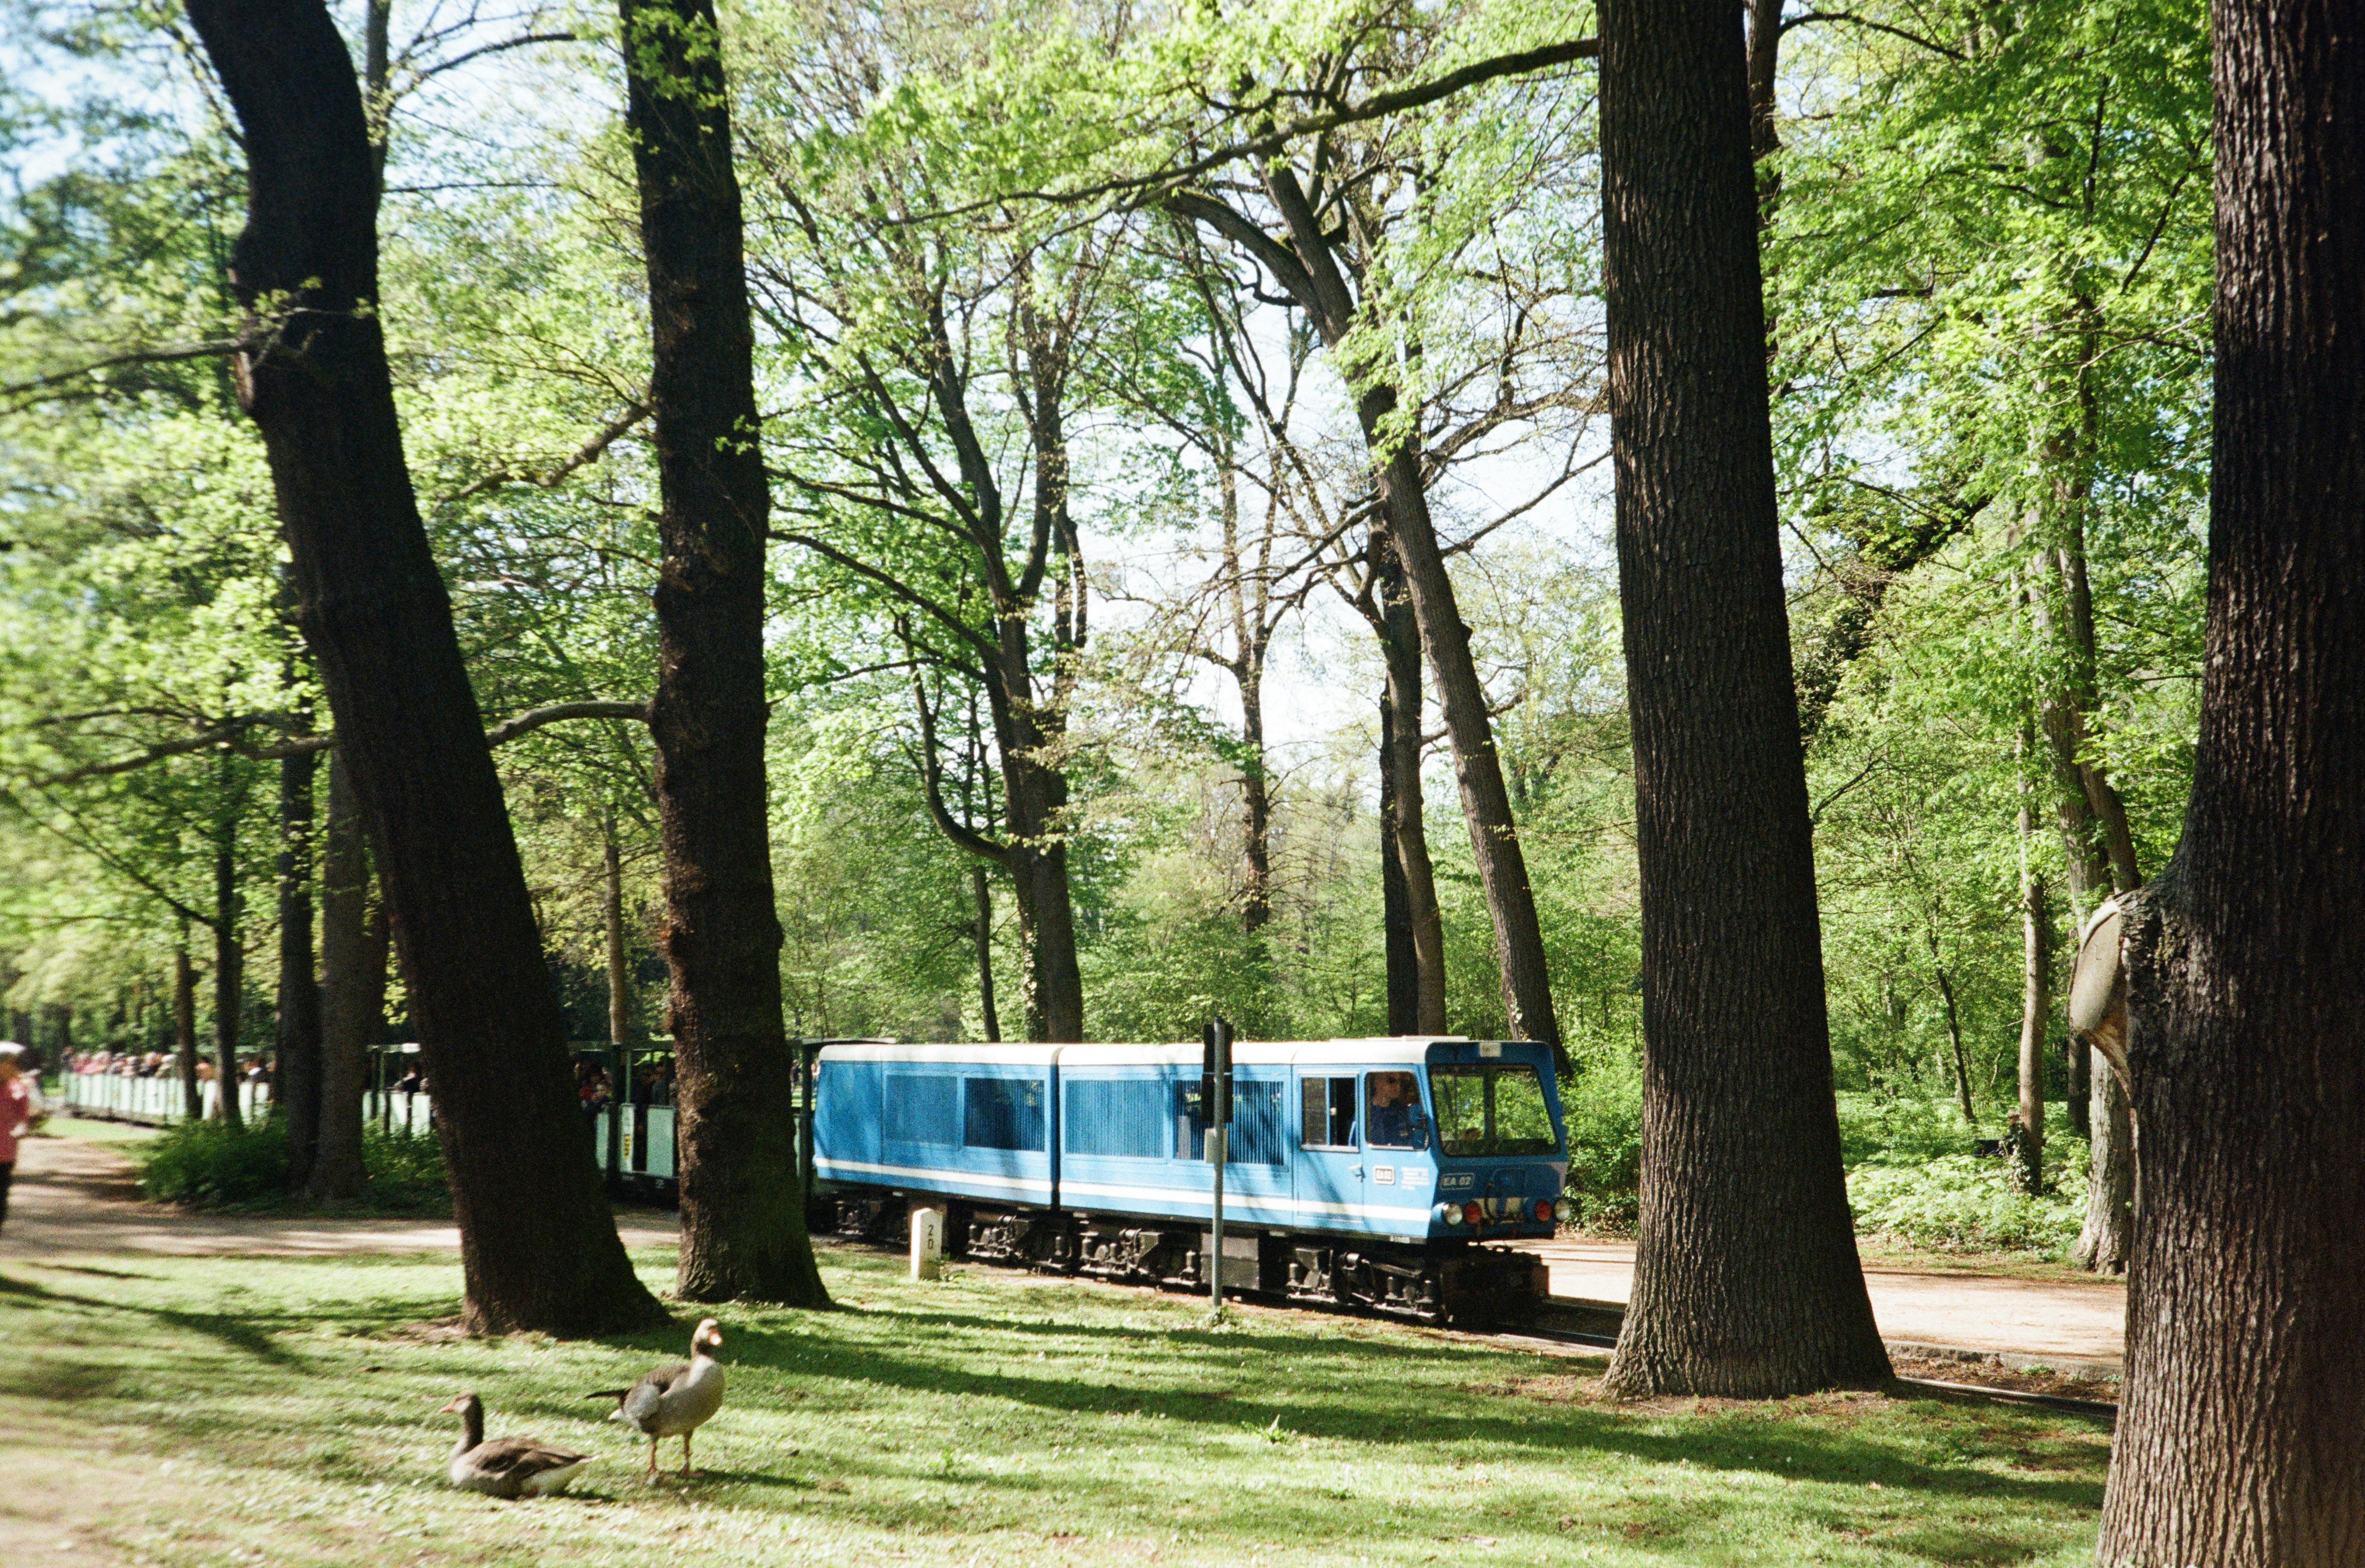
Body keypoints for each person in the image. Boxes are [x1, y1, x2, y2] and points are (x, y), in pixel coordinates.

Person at [0, 1042, 47, 1233]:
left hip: (6, 1150)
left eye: (15, 1063)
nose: (15, 1067)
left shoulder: (19, 1088)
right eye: (12, 1063)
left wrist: (22, 1128)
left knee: (2, 1191)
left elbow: (25, 1117)